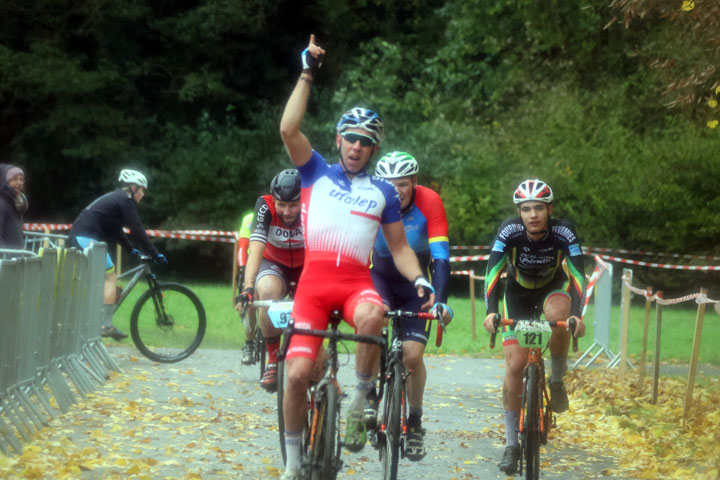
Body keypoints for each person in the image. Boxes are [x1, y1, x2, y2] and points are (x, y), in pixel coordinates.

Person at [277, 35, 435, 479]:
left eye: (365, 142)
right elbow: (289, 129)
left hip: (353, 283)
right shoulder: (315, 172)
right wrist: (307, 72)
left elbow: (400, 248)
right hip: (312, 286)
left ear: (373, 149)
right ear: (338, 139)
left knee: (374, 313)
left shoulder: (382, 191)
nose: (355, 147)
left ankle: (361, 403)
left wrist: (420, 280)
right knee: (295, 376)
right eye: (349, 138)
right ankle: (292, 466)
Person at [482, 179, 586, 475]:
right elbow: (492, 271)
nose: (533, 214)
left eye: (539, 207)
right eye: (526, 209)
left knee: (560, 314)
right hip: (517, 295)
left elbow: (578, 275)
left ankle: (556, 376)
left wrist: (577, 315)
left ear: (549, 209)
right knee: (515, 367)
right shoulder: (509, 231)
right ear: (519, 212)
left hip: (551, 291)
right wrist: (491, 312)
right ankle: (512, 444)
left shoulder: (564, 231)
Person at [370, 151, 454, 460]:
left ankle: (415, 421)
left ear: (415, 182)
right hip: (379, 277)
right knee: (372, 320)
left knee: (413, 357)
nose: (396, 191)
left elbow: (441, 258)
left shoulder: (430, 202)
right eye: (389, 184)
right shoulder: (373, 199)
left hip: (416, 283)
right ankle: (368, 394)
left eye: (403, 184)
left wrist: (440, 301)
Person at [68, 169, 167, 341]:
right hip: (85, 238)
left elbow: (115, 231)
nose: (143, 194)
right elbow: (137, 229)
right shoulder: (125, 200)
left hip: (84, 237)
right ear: (133, 187)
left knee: (109, 280)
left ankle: (96, 320)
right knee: (110, 277)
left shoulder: (117, 199)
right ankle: (105, 325)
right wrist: (155, 253)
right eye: (142, 190)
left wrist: (132, 250)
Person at [235, 169, 305, 391]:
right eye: (281, 204)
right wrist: (248, 288)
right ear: (273, 199)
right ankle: (273, 359)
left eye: (293, 205)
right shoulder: (264, 206)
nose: (286, 211)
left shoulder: (313, 206)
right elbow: (255, 250)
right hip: (275, 263)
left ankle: (317, 364)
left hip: (307, 264)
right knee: (266, 291)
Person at [235, 209, 258, 366]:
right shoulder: (250, 218)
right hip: (251, 264)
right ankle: (249, 344)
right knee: (247, 303)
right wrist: (243, 268)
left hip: (275, 264)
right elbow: (243, 247)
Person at [0, 164, 28, 249]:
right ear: (6, 182)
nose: (19, 182)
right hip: (6, 259)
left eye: (21, 179)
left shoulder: (17, 204)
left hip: (16, 257)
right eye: (15, 179)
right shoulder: (2, 203)